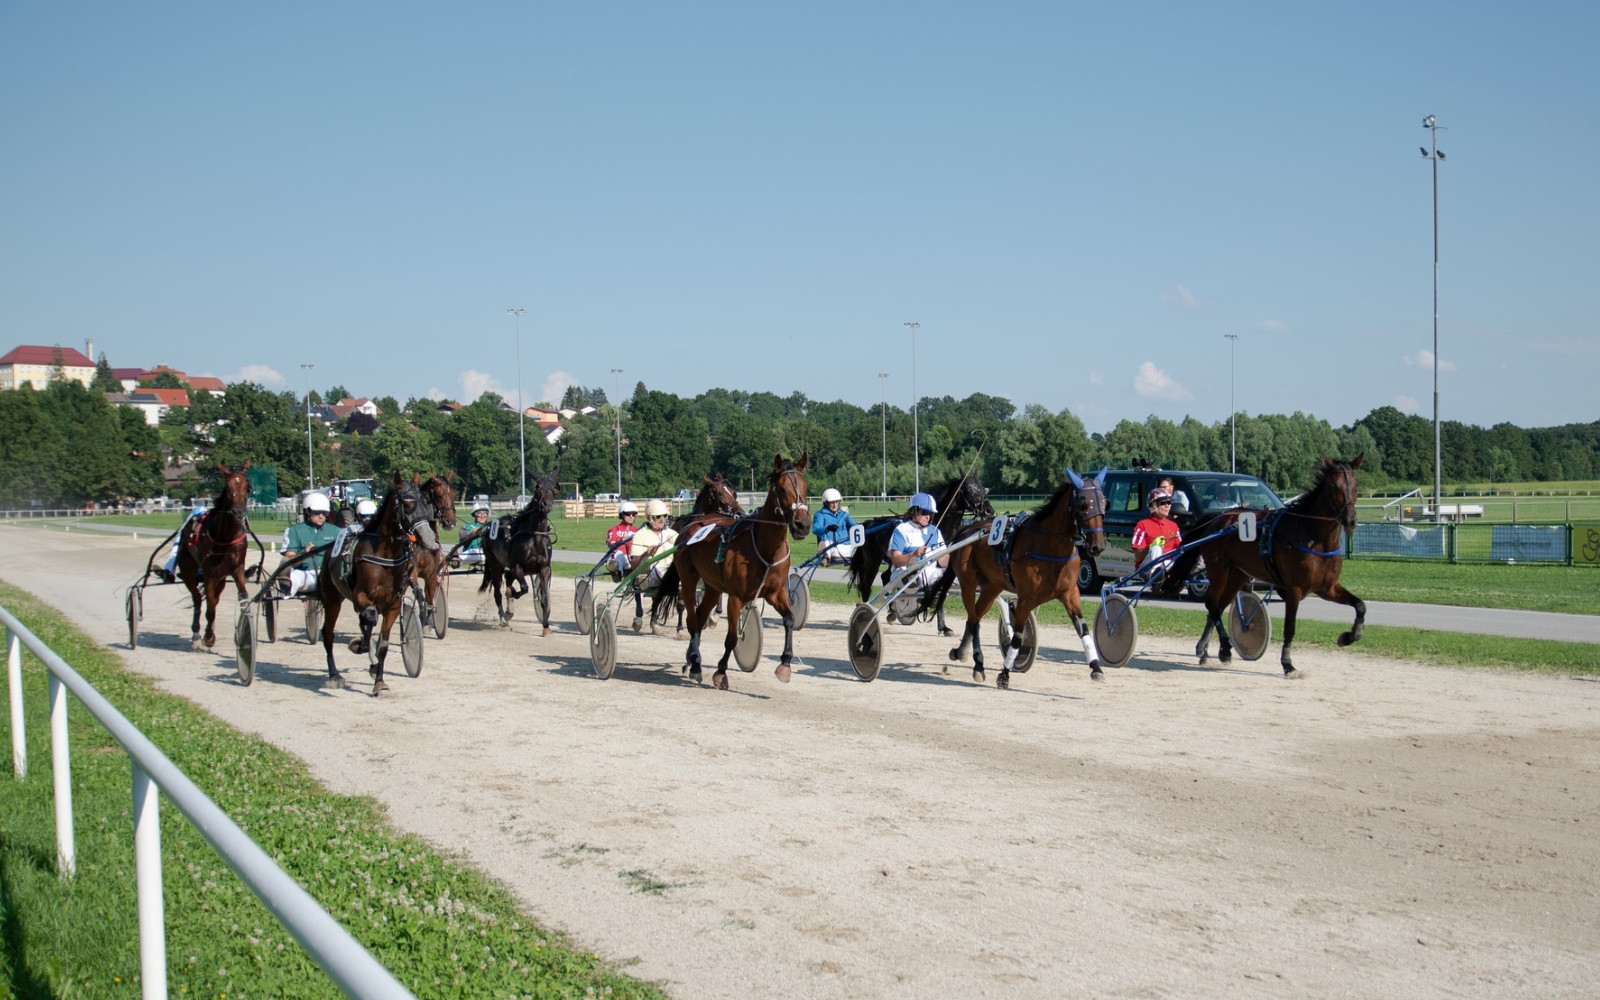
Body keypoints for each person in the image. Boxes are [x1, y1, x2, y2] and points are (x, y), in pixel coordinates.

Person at [622, 499, 681, 632]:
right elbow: (633, 564)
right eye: (658, 517)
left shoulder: (672, 534)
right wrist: (646, 554)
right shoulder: (640, 535)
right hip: (651, 572)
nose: (662, 520)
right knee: (662, 571)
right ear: (649, 518)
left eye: (665, 516)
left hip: (671, 570)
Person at [280, 492, 341, 596]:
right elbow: (288, 559)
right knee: (294, 577)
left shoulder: (337, 531)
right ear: (308, 511)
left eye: (324, 513)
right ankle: (286, 592)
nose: (321, 516)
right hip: (305, 574)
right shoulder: (294, 530)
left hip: (329, 575)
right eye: (317, 512)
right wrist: (305, 553)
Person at [887, 492, 949, 591]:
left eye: (930, 513)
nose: (928, 516)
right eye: (924, 512)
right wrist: (913, 554)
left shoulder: (935, 531)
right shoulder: (901, 530)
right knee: (916, 578)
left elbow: (943, 561)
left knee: (953, 575)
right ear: (914, 511)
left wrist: (958, 559)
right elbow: (896, 560)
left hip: (930, 574)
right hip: (904, 575)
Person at [1132, 488, 1182, 573]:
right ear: (1153, 505)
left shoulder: (1174, 526)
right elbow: (1138, 557)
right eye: (1163, 503)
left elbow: (1180, 550)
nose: (1167, 506)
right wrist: (1151, 545)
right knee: (1156, 548)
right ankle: (1156, 578)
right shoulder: (1142, 525)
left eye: (1169, 502)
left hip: (1167, 565)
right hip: (1145, 568)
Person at [159, 500, 209, 582]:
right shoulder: (207, 511)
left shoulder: (198, 510)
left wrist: (180, 532)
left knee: (176, 547)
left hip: (196, 535)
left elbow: (185, 523)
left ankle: (169, 572)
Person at [812, 488, 858, 563]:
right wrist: (827, 528)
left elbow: (854, 526)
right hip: (832, 547)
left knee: (861, 546)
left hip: (847, 546)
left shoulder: (844, 514)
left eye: (837, 502)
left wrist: (863, 526)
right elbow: (815, 529)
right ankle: (824, 556)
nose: (835, 505)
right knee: (827, 544)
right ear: (826, 503)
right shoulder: (820, 515)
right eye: (832, 503)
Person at [607, 500, 639, 579]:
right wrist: (621, 540)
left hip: (633, 558)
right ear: (622, 515)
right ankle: (617, 571)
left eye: (634, 514)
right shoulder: (614, 529)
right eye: (628, 514)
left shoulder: (638, 531)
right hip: (620, 558)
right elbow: (610, 545)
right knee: (619, 553)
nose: (631, 516)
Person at [456, 500, 492, 567]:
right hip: (471, 552)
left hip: (487, 552)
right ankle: (456, 561)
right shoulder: (467, 526)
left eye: (485, 513)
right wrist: (472, 534)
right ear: (474, 514)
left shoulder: (491, 527)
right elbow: (463, 542)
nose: (482, 516)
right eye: (479, 513)